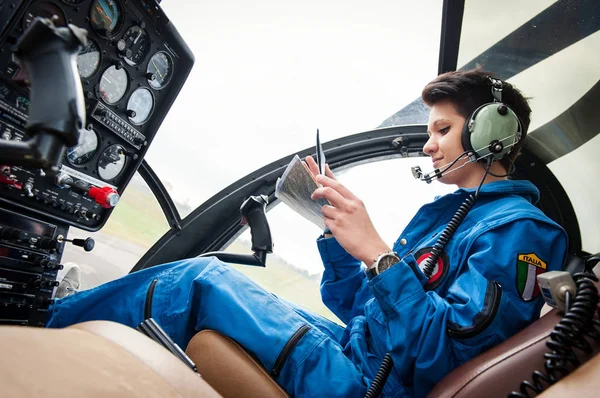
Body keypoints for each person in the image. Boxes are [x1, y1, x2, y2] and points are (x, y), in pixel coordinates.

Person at [48, 69, 568, 397]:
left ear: (491, 132)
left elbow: (439, 359)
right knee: (206, 282)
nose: (429, 146)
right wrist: (340, 241)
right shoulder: (453, 215)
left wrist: (380, 255)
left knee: (198, 280)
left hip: (367, 385)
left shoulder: (521, 234)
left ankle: (34, 330)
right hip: (354, 354)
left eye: (442, 130)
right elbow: (360, 311)